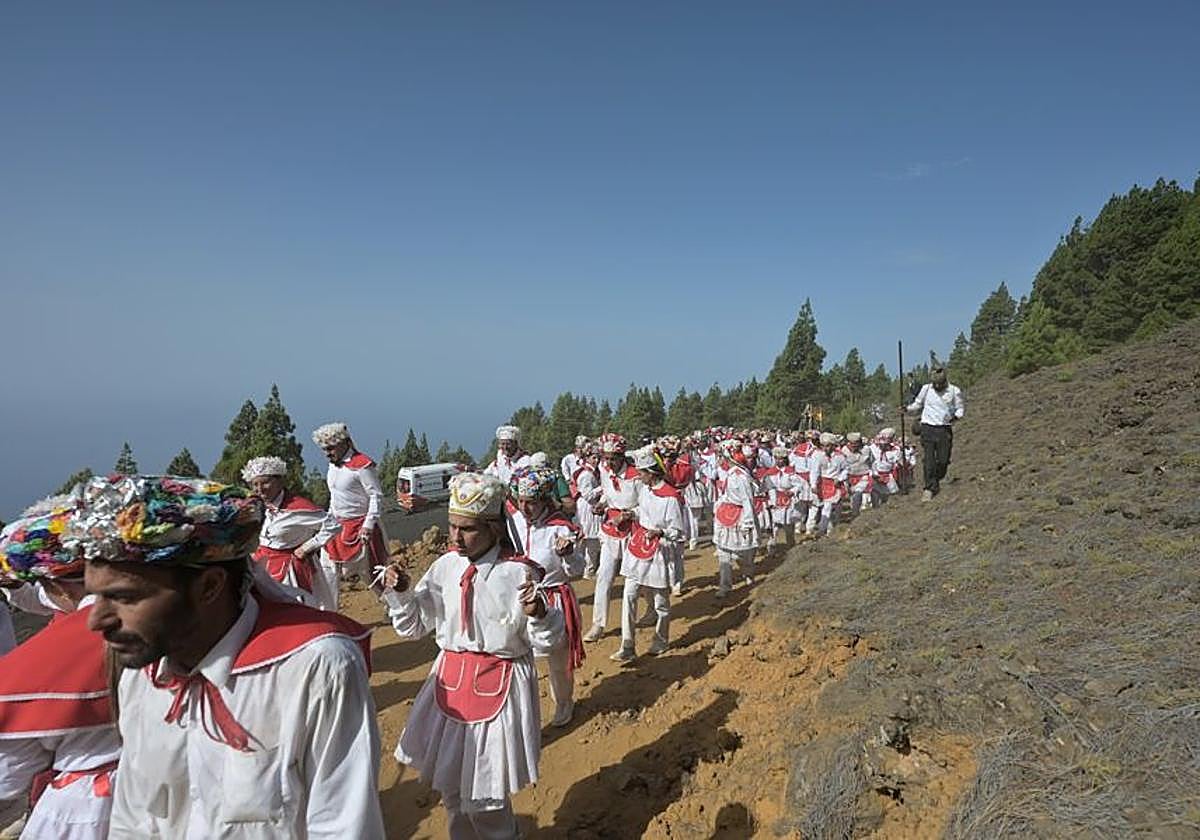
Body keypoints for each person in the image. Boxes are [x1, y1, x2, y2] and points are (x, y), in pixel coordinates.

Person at [76, 475, 384, 839]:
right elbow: (132, 821)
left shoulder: (315, 668)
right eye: (95, 596)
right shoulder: (141, 677)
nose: (96, 620)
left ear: (209, 587)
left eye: (125, 598)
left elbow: (343, 828)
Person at [381, 472, 564, 840]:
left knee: (486, 798)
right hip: (449, 685)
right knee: (452, 792)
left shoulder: (517, 573)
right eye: (451, 527)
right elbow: (414, 627)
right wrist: (401, 594)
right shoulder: (445, 568)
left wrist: (541, 615)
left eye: (467, 529)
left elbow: (543, 643)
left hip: (498, 685)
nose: (455, 537)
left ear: (494, 529)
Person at [0, 497, 121, 840]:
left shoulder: (37, 665)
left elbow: (7, 776)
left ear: (54, 585)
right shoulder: (188, 624)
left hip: (83, 810)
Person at [507, 466, 583, 726]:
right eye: (520, 501)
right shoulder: (513, 523)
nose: (524, 508)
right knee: (519, 657)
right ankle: (522, 713)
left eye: (531, 502)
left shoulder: (560, 528)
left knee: (557, 661)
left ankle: (563, 701)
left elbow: (578, 570)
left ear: (544, 500)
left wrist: (568, 554)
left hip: (554, 601)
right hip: (518, 601)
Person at [609, 447, 684, 663]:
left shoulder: (670, 498)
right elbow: (643, 511)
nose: (638, 475)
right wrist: (629, 514)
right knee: (629, 593)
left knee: (661, 602)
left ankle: (661, 639)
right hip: (639, 547)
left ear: (652, 473)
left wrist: (660, 532)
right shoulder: (645, 490)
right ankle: (628, 644)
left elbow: (677, 531)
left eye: (641, 472)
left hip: (659, 551)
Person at [242, 456, 337, 610]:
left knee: (297, 611)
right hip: (262, 567)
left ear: (280, 481)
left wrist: (307, 547)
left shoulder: (297, 507)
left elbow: (333, 524)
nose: (260, 489)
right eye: (255, 484)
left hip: (291, 570)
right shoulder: (257, 506)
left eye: (265, 482)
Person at [312, 422, 388, 586]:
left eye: (331, 448)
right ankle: (328, 610)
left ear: (345, 443)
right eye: (324, 449)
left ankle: (396, 609)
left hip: (360, 530)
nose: (327, 453)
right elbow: (334, 495)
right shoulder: (333, 466)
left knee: (374, 577)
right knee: (328, 577)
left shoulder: (362, 465)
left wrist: (368, 525)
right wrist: (328, 520)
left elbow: (376, 495)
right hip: (336, 528)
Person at [581, 433, 640, 642]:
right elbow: (607, 493)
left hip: (633, 531)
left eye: (613, 458)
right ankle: (598, 624)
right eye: (605, 458)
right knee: (604, 576)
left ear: (622, 456)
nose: (609, 462)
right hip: (610, 531)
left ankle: (649, 611)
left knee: (637, 577)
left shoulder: (636, 475)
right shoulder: (605, 471)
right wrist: (603, 504)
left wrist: (628, 514)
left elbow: (647, 505)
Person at [905, 365, 964, 501]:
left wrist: (955, 417)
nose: (937, 386)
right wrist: (907, 409)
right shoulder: (926, 389)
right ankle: (929, 488)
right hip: (928, 428)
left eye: (940, 384)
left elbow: (960, 408)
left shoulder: (954, 391)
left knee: (943, 461)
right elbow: (917, 404)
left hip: (944, 429)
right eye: (935, 384)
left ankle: (936, 479)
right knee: (929, 460)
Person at [712, 439, 758, 598]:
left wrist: (748, 522)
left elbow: (747, 500)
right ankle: (725, 586)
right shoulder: (730, 472)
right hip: (726, 514)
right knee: (723, 551)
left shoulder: (740, 475)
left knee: (742, 553)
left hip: (739, 516)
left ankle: (748, 574)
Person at [806, 433, 846, 537]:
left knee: (834, 508)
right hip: (822, 483)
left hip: (835, 483)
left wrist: (840, 478)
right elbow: (814, 471)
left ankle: (830, 530)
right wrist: (813, 485)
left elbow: (846, 469)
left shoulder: (840, 456)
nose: (825, 448)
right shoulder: (817, 455)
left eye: (828, 446)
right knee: (824, 507)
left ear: (833, 445)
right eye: (823, 445)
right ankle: (822, 529)